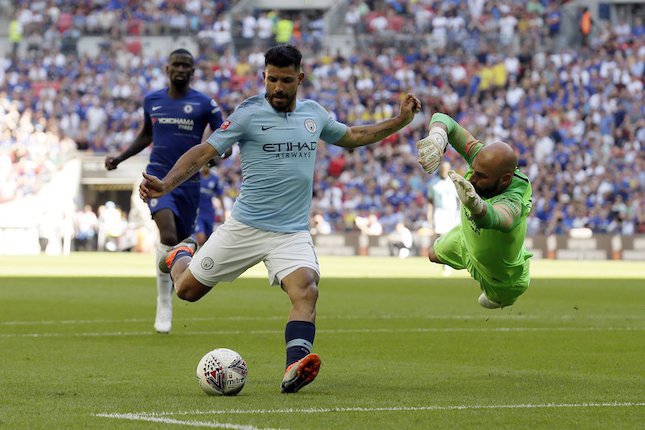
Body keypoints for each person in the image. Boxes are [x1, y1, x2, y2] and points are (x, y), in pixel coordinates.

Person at [139, 44, 421, 393]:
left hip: (290, 233)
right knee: (186, 291)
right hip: (245, 227)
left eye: (286, 80)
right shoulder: (248, 113)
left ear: (299, 78)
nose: (278, 88)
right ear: (264, 77)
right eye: (272, 80)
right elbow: (204, 152)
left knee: (307, 289)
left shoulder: (314, 114)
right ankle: (180, 255)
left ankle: (294, 368)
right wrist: (165, 184)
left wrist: (399, 121)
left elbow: (352, 136)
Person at [105, 49, 224, 333]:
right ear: (167, 68)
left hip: (189, 181)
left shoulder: (205, 103)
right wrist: (120, 158)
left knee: (181, 242)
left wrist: (220, 152)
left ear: (193, 71)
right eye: (177, 64)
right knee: (168, 234)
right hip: (158, 178)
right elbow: (147, 135)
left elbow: (223, 136)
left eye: (187, 65)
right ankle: (164, 302)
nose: (181, 69)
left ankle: (170, 281)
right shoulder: (152, 100)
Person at [417, 112, 533, 309]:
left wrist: (475, 205)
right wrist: (438, 137)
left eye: (481, 176)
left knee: (491, 301)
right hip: (466, 239)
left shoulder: (515, 198)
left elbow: (498, 218)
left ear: (505, 179)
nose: (472, 179)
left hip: (502, 276)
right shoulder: (481, 158)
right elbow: (444, 119)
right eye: (474, 170)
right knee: (432, 255)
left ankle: (512, 273)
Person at [426, 161, 461, 274]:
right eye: (442, 168)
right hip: (439, 214)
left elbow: (460, 200)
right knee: (441, 237)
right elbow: (430, 202)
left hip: (452, 214)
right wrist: (430, 218)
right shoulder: (433, 183)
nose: (444, 170)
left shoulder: (454, 183)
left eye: (446, 168)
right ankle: (446, 264)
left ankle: (451, 262)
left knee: (451, 238)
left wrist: (461, 214)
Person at [194, 164, 226, 246]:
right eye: (204, 165)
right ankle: (195, 255)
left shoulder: (215, 179)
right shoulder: (196, 177)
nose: (206, 167)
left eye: (208, 165)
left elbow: (221, 196)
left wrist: (223, 212)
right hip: (198, 212)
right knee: (200, 238)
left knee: (208, 239)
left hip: (209, 212)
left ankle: (203, 255)